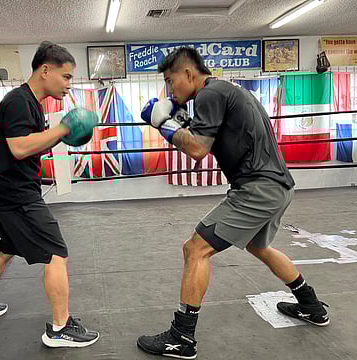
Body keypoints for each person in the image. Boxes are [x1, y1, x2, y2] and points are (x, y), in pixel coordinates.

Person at [137, 46, 329, 359]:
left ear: (188, 74)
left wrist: (165, 126)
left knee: (195, 249)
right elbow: (214, 136)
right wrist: (178, 119)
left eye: (171, 82)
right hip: (279, 186)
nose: (170, 90)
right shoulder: (230, 91)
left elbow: (198, 148)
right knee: (258, 246)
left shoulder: (209, 94)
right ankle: (310, 304)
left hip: (258, 188)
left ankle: (182, 336)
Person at [0, 41, 100, 348]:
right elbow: (20, 147)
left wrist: (56, 134)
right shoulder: (18, 101)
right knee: (56, 254)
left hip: (14, 192)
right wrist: (64, 128)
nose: (68, 84)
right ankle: (60, 329)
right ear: (45, 70)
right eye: (65, 77)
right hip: (17, 196)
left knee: (6, 249)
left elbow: (31, 145)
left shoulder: (32, 103)